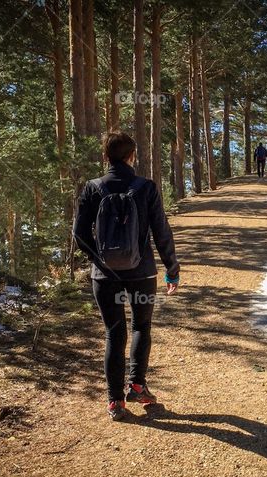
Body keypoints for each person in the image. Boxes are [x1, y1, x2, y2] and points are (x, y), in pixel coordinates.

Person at [73, 132, 180, 421]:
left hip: (104, 277)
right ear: (132, 156)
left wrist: (99, 262)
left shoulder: (93, 188)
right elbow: (161, 231)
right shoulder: (146, 187)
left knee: (113, 332)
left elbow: (79, 235)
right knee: (141, 327)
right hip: (141, 273)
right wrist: (172, 270)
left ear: (105, 157)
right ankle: (137, 385)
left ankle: (115, 402)